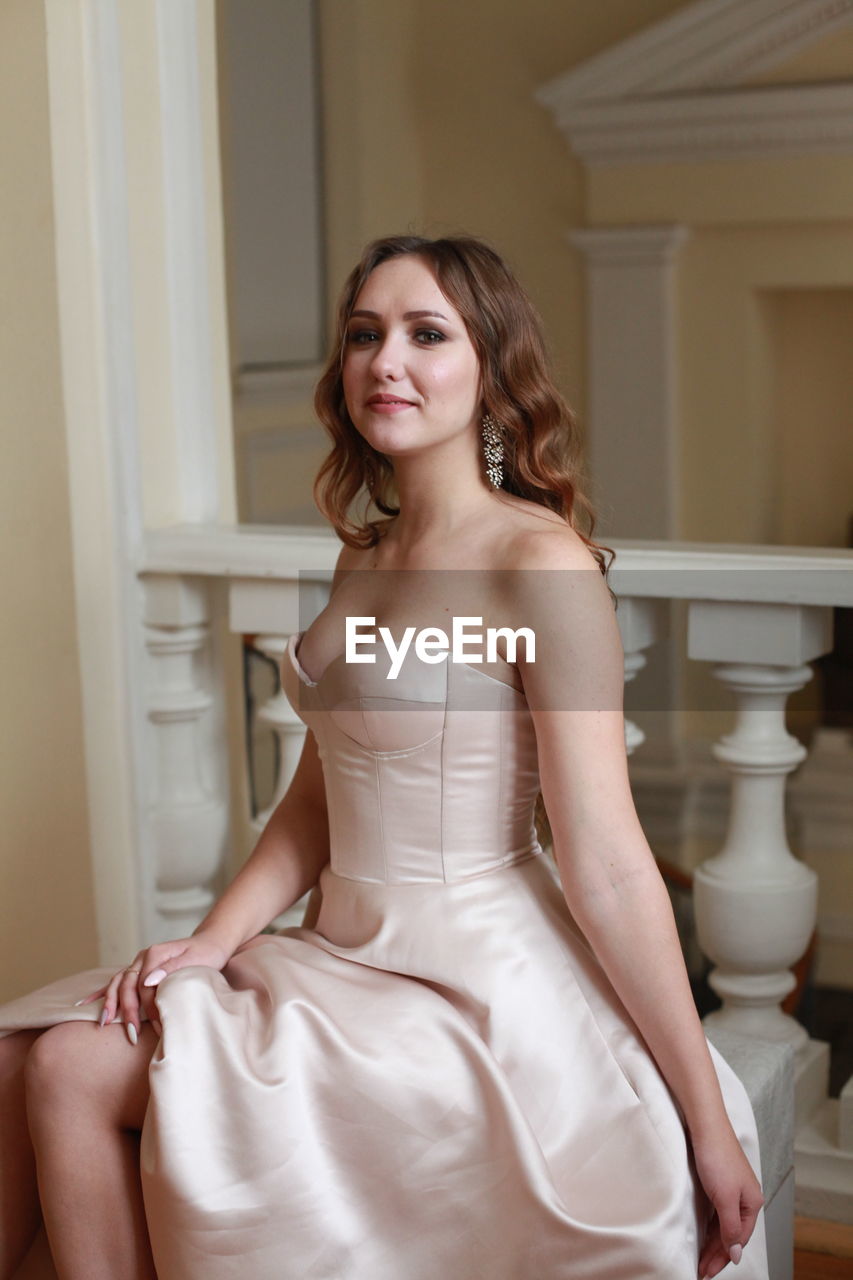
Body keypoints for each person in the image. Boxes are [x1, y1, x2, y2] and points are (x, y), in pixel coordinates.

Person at [0, 234, 768, 1280]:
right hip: (341, 950)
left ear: (490, 369)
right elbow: (320, 795)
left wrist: (703, 1114)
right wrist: (214, 939)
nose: (384, 362)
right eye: (364, 334)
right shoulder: (362, 555)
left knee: (71, 1069)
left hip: (469, 975)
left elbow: (609, 857)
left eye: (424, 334)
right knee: (28, 1057)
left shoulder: (535, 563)